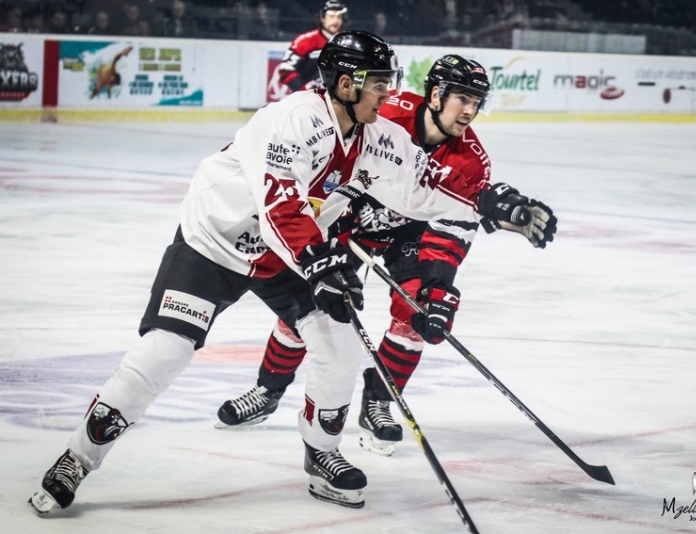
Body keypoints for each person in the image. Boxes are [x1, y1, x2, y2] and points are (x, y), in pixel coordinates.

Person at [28, 30, 449, 514]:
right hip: (216, 244)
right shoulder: (289, 119)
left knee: (340, 343)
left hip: (287, 254)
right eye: (378, 83)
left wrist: (495, 203)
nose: (388, 93)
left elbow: (426, 183)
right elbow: (280, 204)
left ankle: (323, 455)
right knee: (164, 352)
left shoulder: (377, 136)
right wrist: (320, 262)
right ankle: (76, 459)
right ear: (347, 84)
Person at [215, 55, 558, 457]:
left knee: (415, 314)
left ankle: (378, 401)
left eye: (477, 101)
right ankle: (268, 389)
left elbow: (453, 225)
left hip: (414, 233)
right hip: (351, 222)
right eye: (462, 98)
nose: (470, 110)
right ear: (436, 94)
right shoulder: (386, 113)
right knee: (312, 307)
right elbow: (331, 150)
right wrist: (338, 208)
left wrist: (438, 284)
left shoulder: (472, 161)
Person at [276, 0, 347, 95]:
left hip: (340, 100)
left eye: (339, 16)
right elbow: (286, 69)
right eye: (331, 16)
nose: (335, 20)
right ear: (322, 18)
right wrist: (304, 89)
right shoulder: (305, 41)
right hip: (307, 101)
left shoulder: (349, 42)